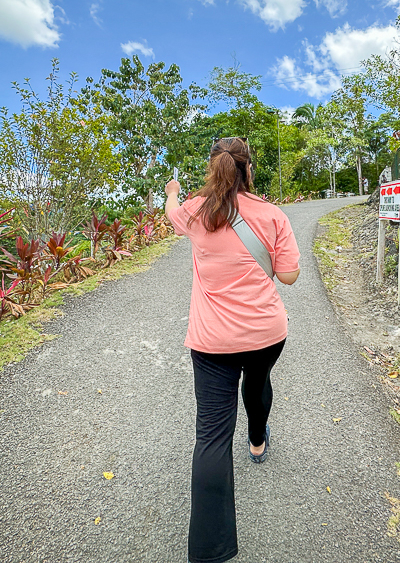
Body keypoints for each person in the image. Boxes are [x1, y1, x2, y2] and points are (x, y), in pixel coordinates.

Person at [165, 137, 301, 563]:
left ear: (213, 169)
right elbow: (290, 276)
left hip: (211, 343)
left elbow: (172, 212)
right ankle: (258, 440)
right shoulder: (272, 214)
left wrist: (172, 191)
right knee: (257, 383)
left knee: (210, 436)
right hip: (265, 334)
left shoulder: (194, 212)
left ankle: (209, 552)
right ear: (248, 170)